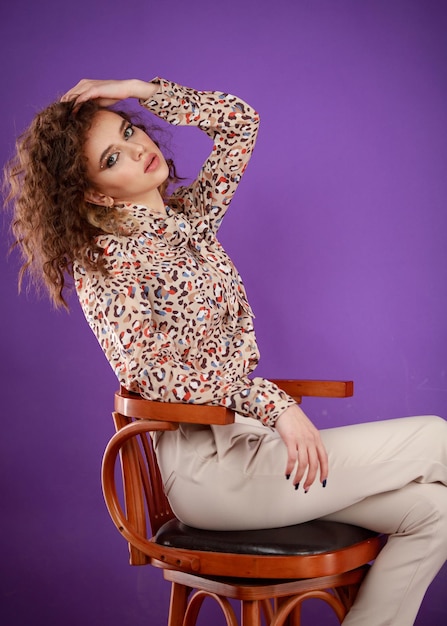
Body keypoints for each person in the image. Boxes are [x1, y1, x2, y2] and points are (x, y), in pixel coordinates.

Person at [4, 75, 447, 626]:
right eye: (114, 156)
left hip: (251, 446)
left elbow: (240, 123)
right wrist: (273, 402)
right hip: (210, 475)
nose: (140, 148)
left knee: (435, 511)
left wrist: (139, 88)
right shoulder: (106, 262)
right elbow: (151, 373)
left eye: (129, 130)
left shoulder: (188, 223)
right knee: (438, 439)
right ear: (95, 191)